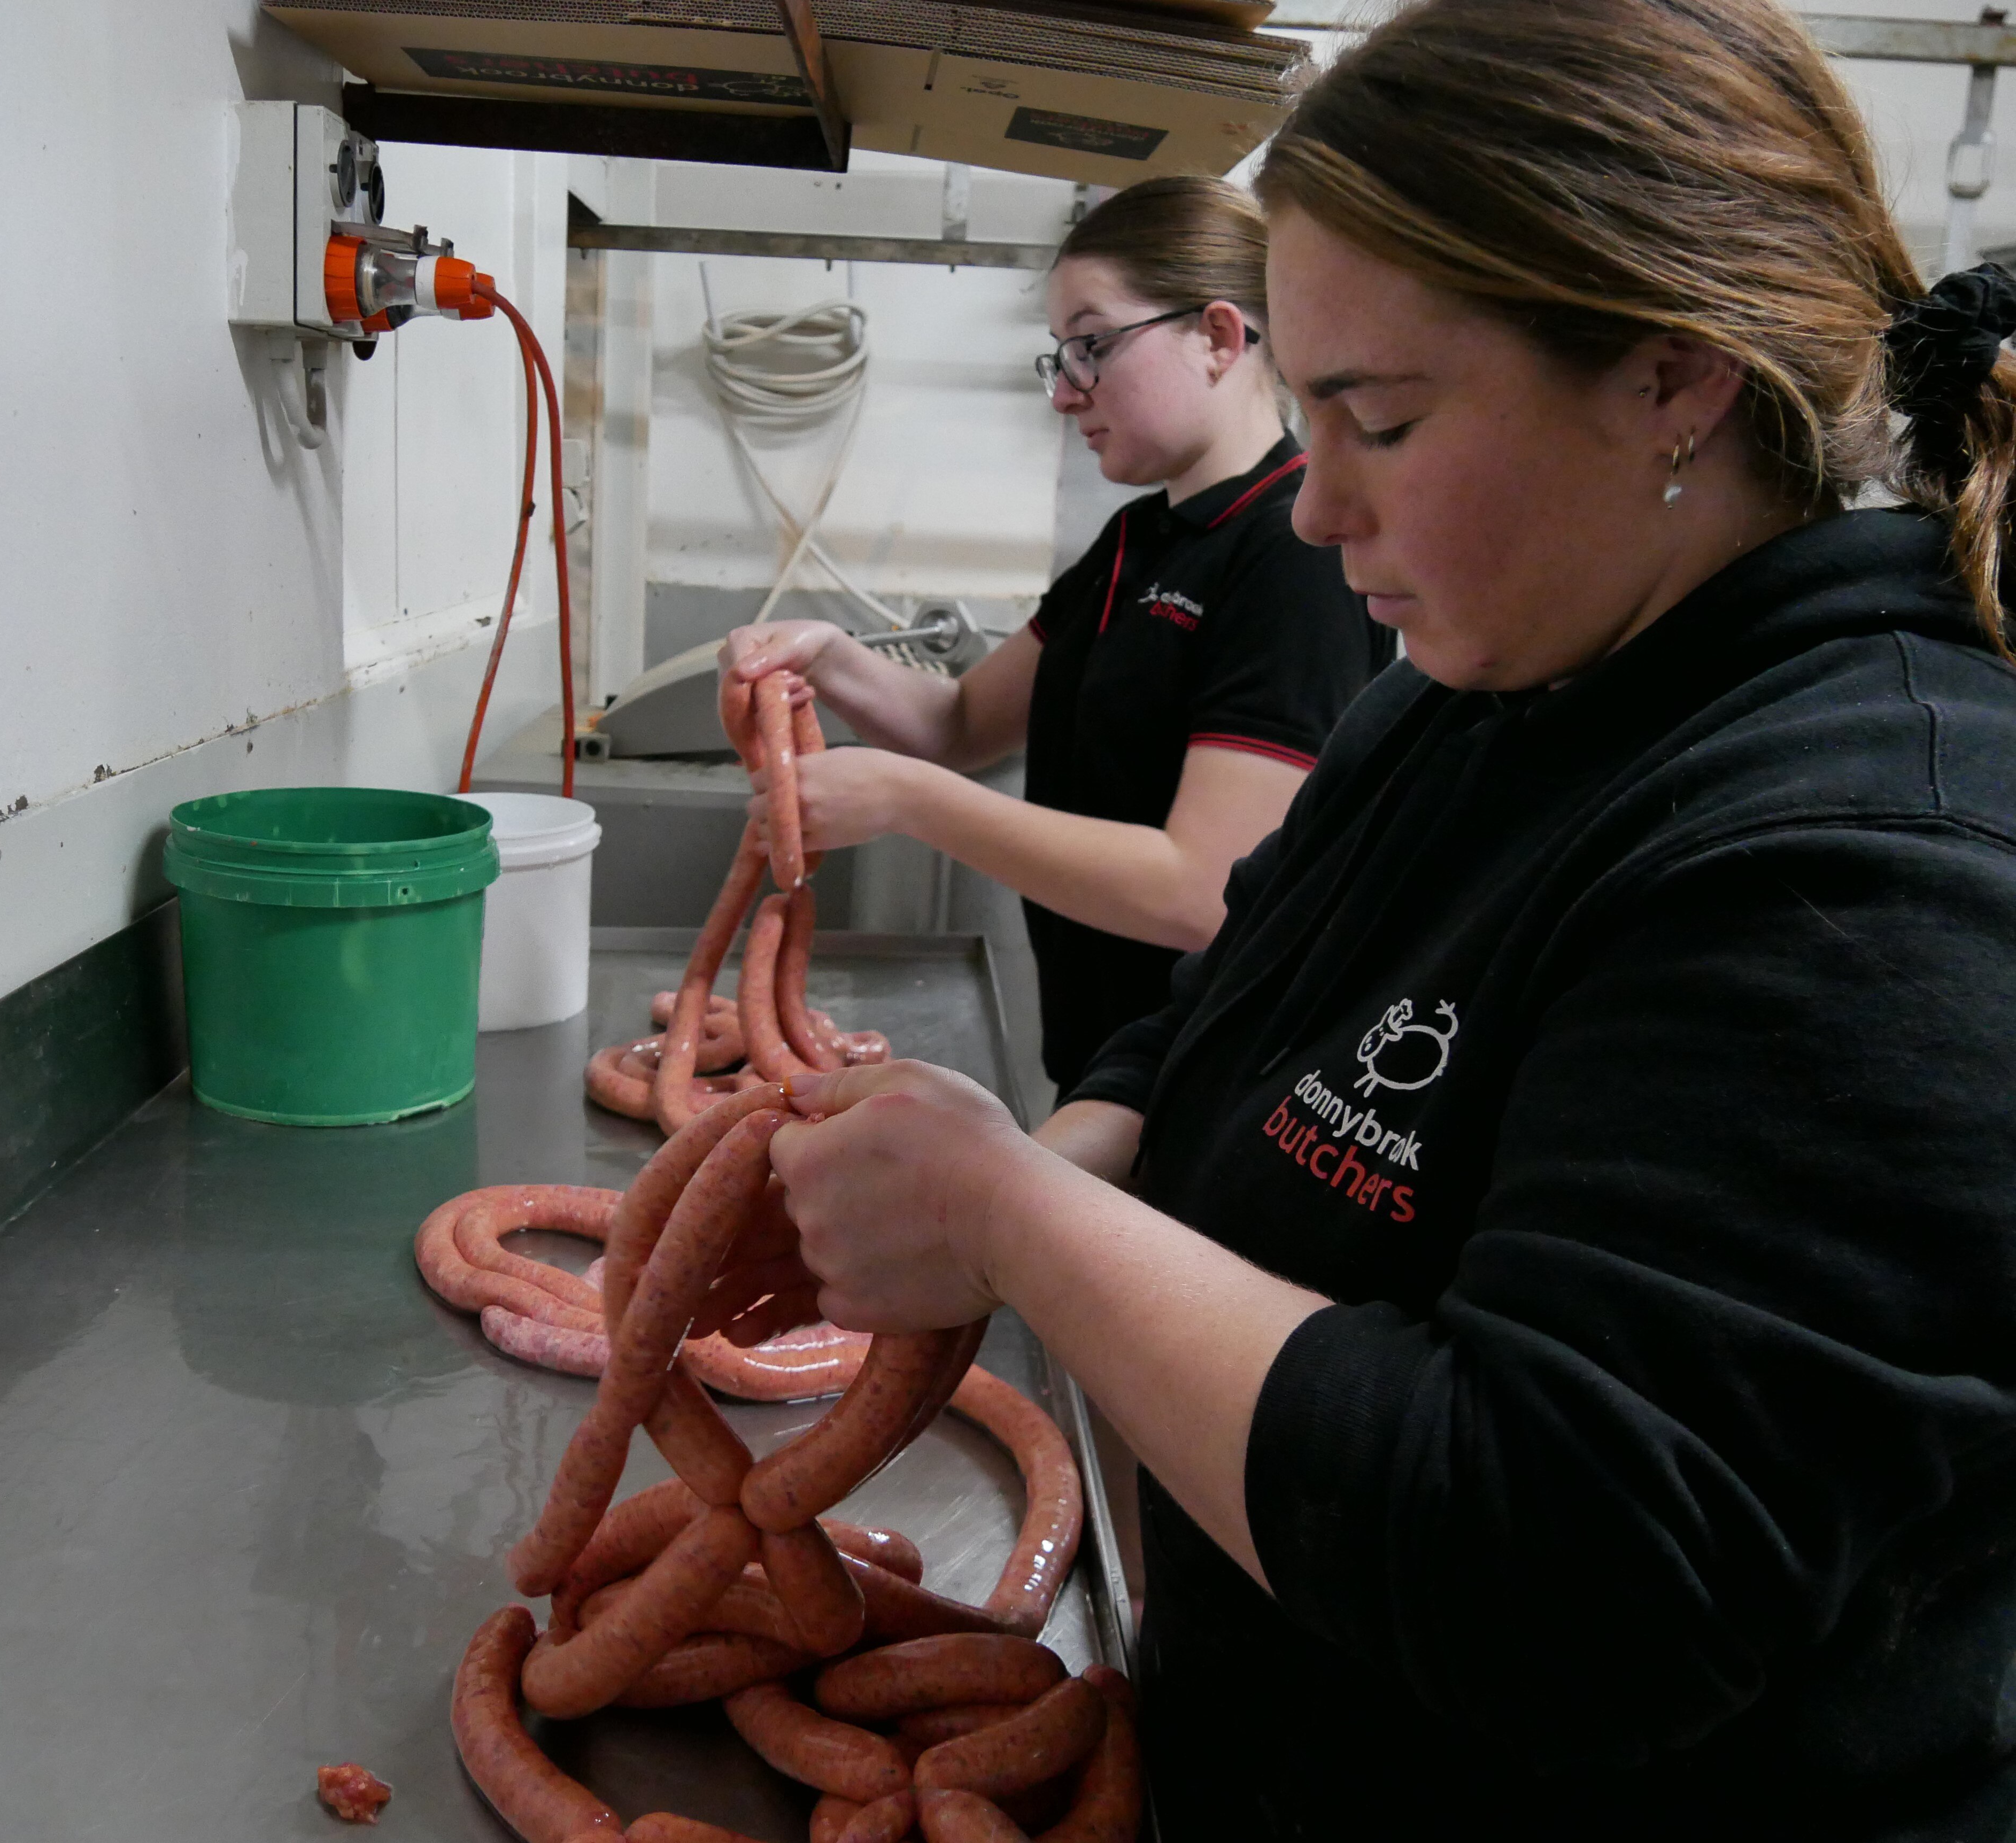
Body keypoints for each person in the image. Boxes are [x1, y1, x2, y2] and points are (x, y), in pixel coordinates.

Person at [743, 0, 2016, 1834]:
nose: (1319, 503)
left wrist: (1009, 1213)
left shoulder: (1880, 850)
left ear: (1672, 377)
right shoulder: (1469, 686)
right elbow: (1226, 1000)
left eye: (1384, 419)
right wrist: (1064, 1157)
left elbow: (1569, 1577)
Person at [721, 177, 1391, 1093]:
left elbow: (1203, 892)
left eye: (1093, 346)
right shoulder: (1139, 540)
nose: (1066, 394)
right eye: (1060, 355)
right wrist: (830, 656)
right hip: (1097, 1057)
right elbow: (960, 723)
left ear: (1220, 337)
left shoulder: (1293, 553)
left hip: (1205, 1085)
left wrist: (910, 803)